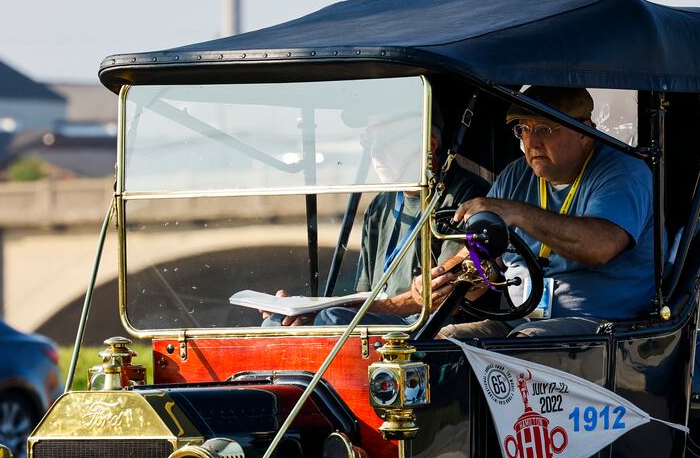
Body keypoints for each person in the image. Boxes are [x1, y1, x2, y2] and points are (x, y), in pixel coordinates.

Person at [426, 86, 655, 339]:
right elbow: (484, 257)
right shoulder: (516, 175)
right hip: (518, 322)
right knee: (439, 342)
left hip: (602, 327)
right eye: (524, 129)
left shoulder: (623, 172)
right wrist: (445, 279)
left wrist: (519, 214)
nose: (531, 142)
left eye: (544, 129)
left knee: (525, 344)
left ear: (585, 132)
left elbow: (600, 247)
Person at [270, 108, 487, 326]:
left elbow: (443, 295)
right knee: (275, 323)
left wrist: (324, 311)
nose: (375, 151)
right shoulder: (380, 205)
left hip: (425, 330)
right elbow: (365, 295)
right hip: (381, 323)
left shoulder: (467, 196)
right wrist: (304, 308)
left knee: (330, 319)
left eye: (386, 141)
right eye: (369, 140)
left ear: (428, 146)